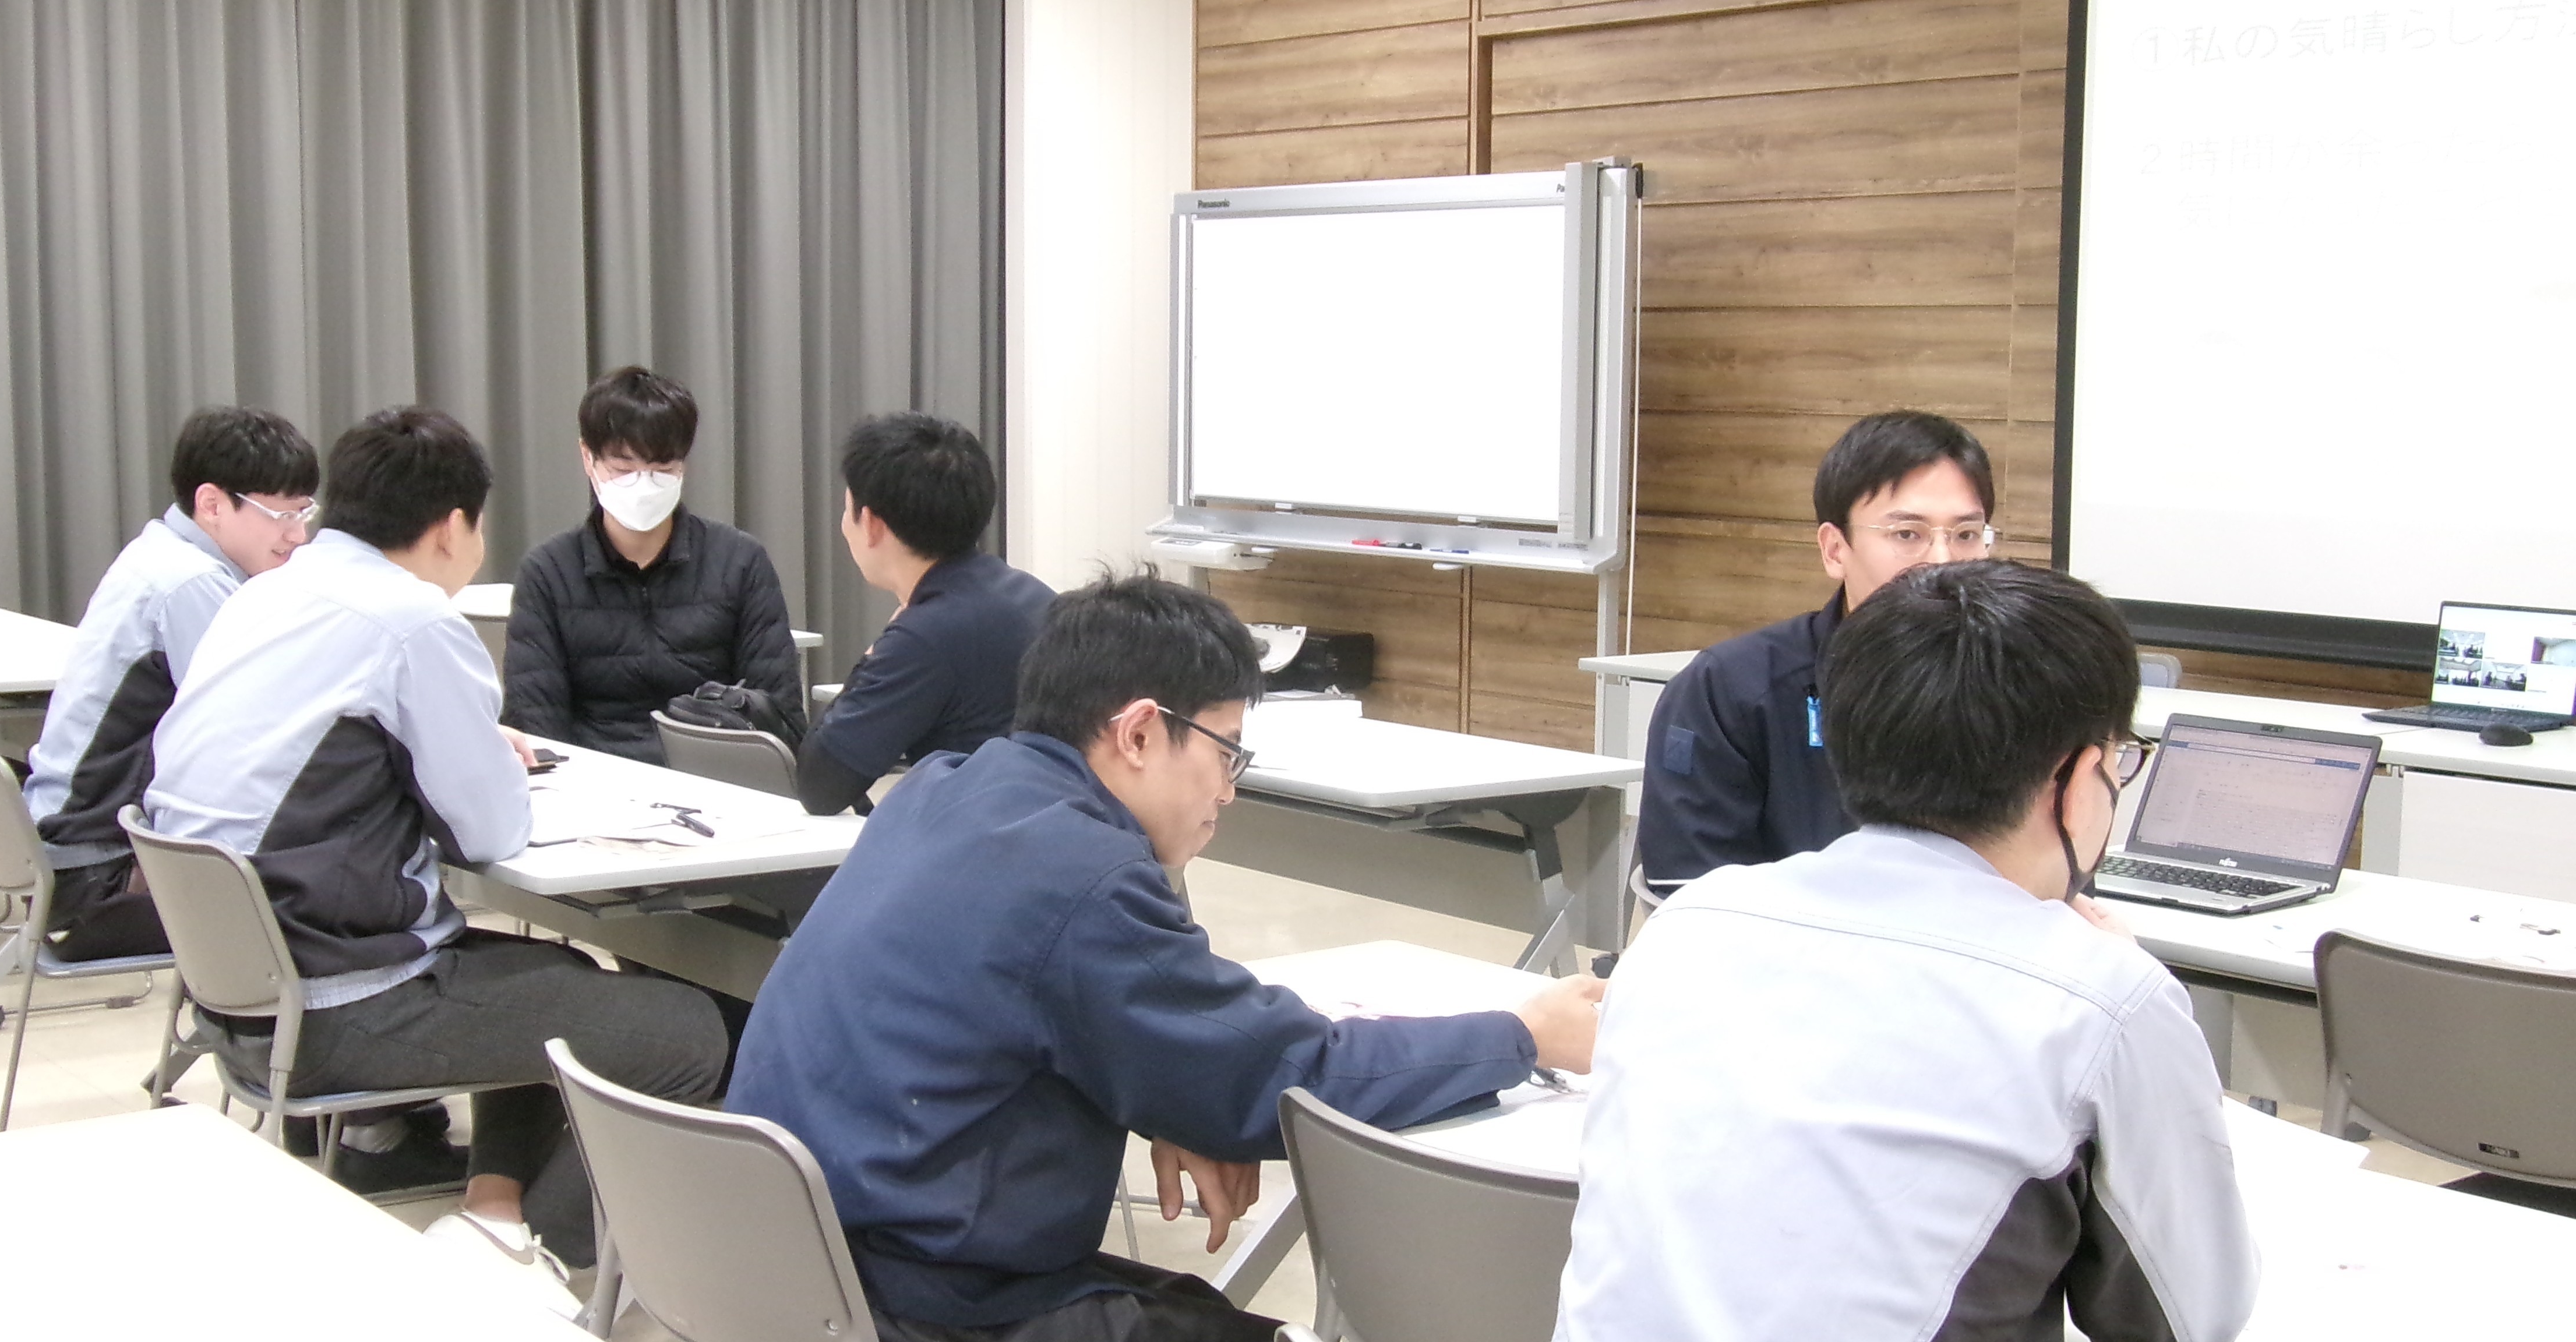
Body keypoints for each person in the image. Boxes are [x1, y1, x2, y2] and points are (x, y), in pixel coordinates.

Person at [729, 571, 1606, 1342]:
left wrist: (1179, 1096)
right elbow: (1292, 1071)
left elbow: (1088, 1019)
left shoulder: (944, 786)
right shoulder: (1083, 876)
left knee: (1192, 1308)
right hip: (928, 1306)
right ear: (1141, 734)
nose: (1229, 790)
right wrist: (1524, 1034)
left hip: (784, 1266)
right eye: (1227, 753)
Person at [1554, 560, 2256, 1342]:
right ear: (2082, 774)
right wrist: (2129, 990)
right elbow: (2193, 1316)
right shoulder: (2101, 997)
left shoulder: (1690, 925)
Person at [146, 406, 727, 1314]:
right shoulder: (412, 621)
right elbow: (490, 834)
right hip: (341, 1005)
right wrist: (478, 753)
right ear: (454, 525)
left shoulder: (260, 596)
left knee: (553, 974)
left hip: (235, 996)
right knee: (688, 1034)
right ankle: (546, 1256)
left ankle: (494, 1215)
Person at [1635, 409, 1998, 885]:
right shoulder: (1730, 691)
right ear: (1834, 549)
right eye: (1907, 534)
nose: (1943, 562)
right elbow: (1689, 890)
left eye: (1966, 535)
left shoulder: (2018, 688)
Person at [24, 407, 318, 963]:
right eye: (281, 515)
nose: (298, 535)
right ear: (212, 504)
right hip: (97, 871)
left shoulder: (158, 553)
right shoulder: (192, 585)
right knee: (331, 890)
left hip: (62, 849)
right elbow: (258, 735)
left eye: (304, 513)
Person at [502, 366, 807, 764]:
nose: (643, 485)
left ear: (684, 464)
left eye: (662, 469)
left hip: (714, 782)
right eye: (623, 469)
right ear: (588, 458)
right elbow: (537, 725)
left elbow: (779, 713)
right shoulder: (549, 573)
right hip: (595, 782)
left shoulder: (739, 562)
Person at [794, 412, 1054, 815]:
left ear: (872, 524)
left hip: (985, 840)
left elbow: (821, 786)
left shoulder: (924, 637)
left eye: (848, 511)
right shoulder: (1035, 596)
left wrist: (874, 657)